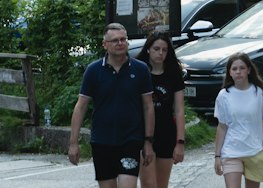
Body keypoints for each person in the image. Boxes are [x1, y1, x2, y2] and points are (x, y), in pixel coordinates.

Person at [68, 21, 155, 188]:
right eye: (115, 40)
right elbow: (81, 106)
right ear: (105, 45)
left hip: (131, 139)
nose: (120, 43)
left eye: (123, 39)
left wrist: (148, 141)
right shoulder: (93, 70)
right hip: (102, 140)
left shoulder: (140, 69)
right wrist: (73, 143)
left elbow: (148, 106)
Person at [215, 52, 263, 188]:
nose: (238, 72)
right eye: (234, 69)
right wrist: (217, 156)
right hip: (231, 151)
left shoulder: (260, 93)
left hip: (254, 152)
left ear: (248, 70)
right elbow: (222, 127)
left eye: (242, 68)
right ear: (229, 72)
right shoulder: (223, 96)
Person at [139, 31, 185, 188]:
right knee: (148, 183)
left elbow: (179, 110)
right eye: (156, 48)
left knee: (161, 184)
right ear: (148, 49)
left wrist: (180, 141)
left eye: (164, 50)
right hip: (143, 133)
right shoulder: (139, 70)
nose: (160, 53)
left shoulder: (173, 73)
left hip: (166, 132)